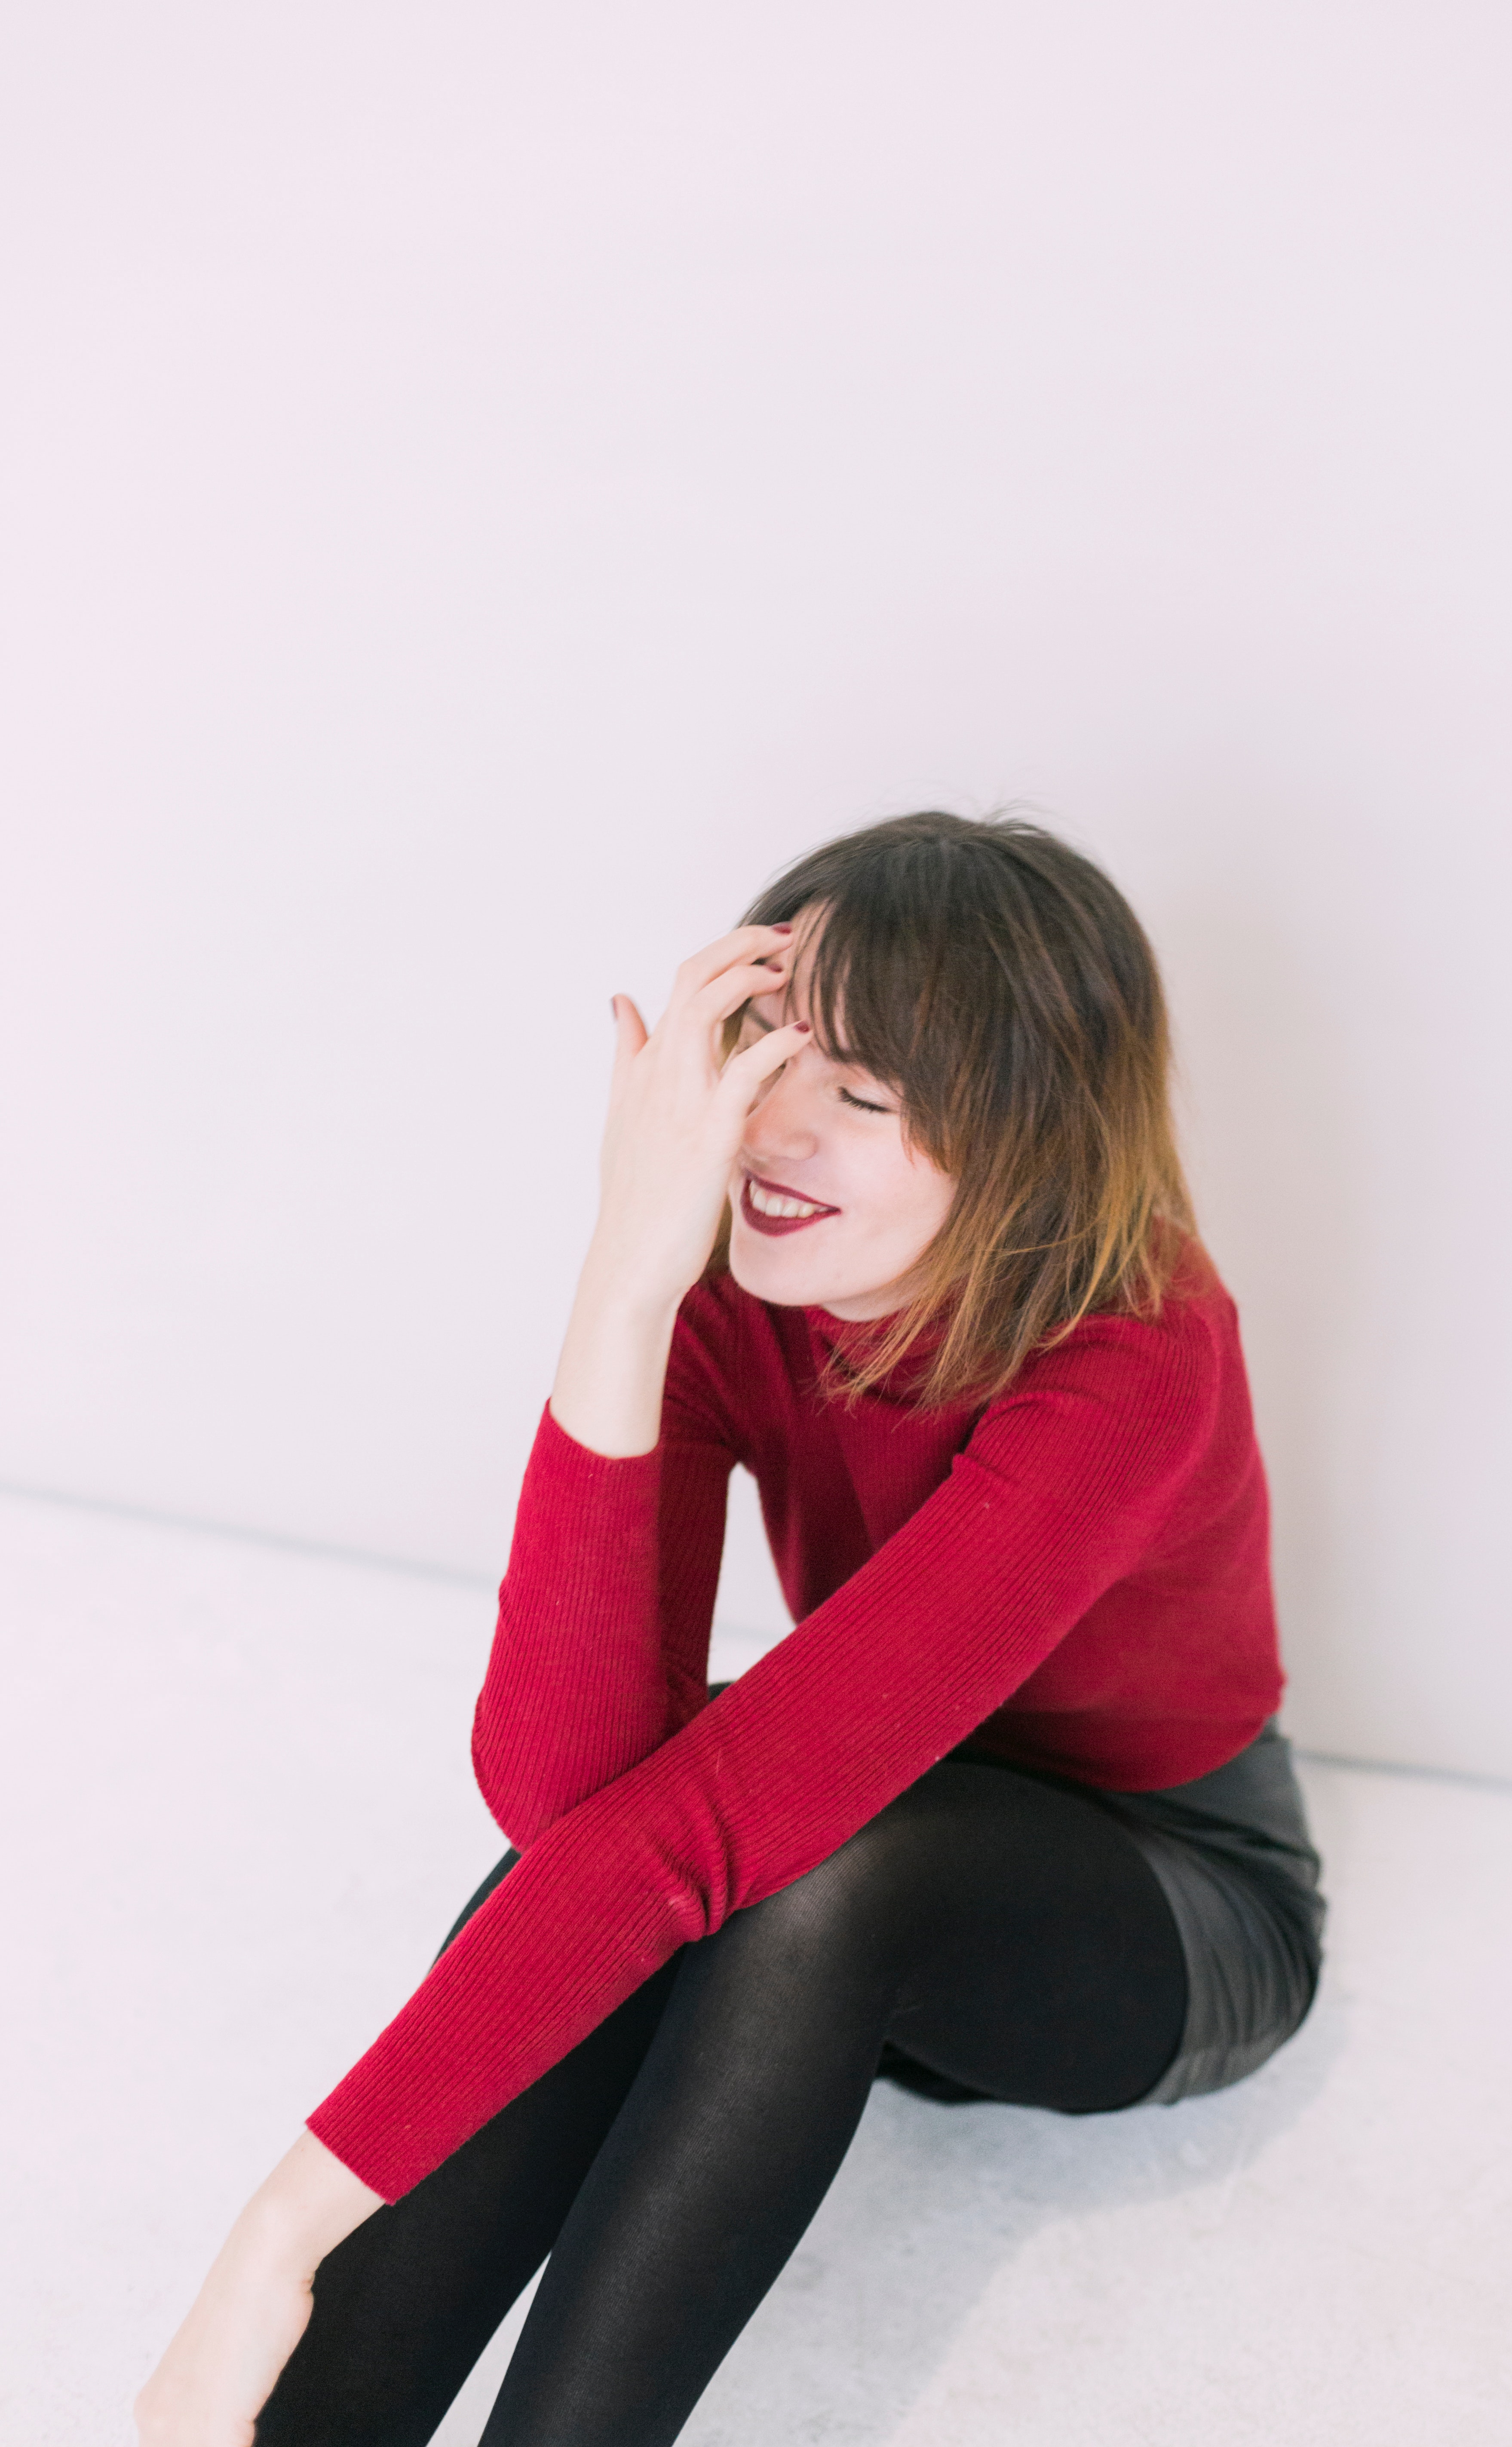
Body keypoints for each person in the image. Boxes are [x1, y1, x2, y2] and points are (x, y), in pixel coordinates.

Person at [136, 810, 1325, 2447]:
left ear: (1027, 1141)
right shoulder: (724, 1279)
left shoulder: (1137, 1351)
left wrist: (278, 2231)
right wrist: (626, 1272)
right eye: (766, 1050)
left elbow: (702, 1835)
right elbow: (562, 1797)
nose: (775, 1129)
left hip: (1168, 1890)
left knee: (808, 1863)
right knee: (670, 1852)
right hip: (850, 1814)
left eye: (868, 1093)